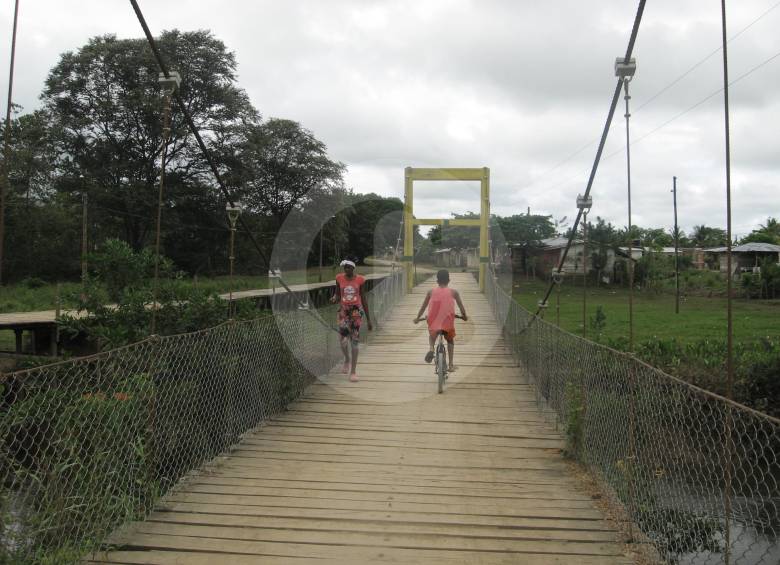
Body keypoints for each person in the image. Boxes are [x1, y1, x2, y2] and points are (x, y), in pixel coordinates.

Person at [413, 269, 467, 372]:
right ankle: (450, 365)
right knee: (450, 340)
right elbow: (461, 308)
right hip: (447, 322)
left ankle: (431, 348)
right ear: (449, 280)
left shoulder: (430, 292)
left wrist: (417, 318)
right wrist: (464, 316)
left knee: (432, 335)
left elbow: (423, 307)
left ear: (437, 281)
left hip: (433, 321)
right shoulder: (454, 292)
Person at [331, 259, 372, 382]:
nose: (346, 270)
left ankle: (353, 372)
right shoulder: (339, 278)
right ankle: (347, 360)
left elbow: (363, 298)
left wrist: (369, 319)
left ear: (353, 268)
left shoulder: (360, 280)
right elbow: (337, 294)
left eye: (349, 268)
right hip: (343, 311)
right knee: (343, 341)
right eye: (345, 268)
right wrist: (334, 298)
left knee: (354, 341)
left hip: (356, 312)